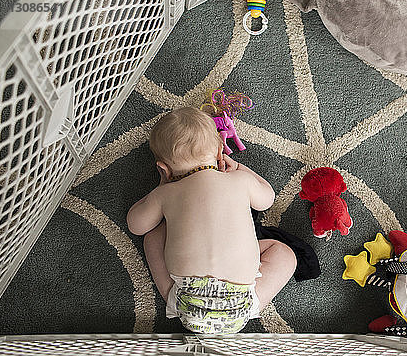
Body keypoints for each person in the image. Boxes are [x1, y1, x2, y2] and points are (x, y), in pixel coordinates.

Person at [127, 107, 297, 334]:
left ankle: (170, 296)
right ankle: (253, 302)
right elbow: (267, 199)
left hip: (188, 308)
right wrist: (241, 169)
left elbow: (135, 225)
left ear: (163, 168)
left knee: (152, 238)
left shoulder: (165, 194)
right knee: (285, 255)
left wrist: (161, 187)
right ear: (219, 152)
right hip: (238, 310)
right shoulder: (240, 180)